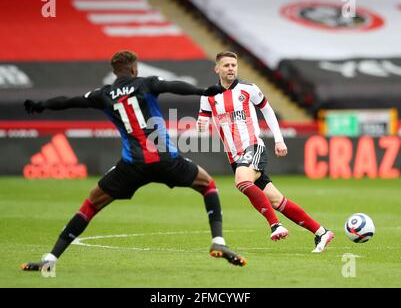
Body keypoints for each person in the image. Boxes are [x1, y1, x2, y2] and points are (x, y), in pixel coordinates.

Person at [21, 50, 247, 272]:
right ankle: (218, 241)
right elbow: (173, 86)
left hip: (132, 166)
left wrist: (41, 105)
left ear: (114, 71)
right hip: (165, 159)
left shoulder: (104, 94)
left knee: (90, 204)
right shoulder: (145, 84)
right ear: (133, 68)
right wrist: (204, 91)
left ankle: (50, 258)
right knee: (207, 185)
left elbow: (69, 102)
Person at [196, 51, 334, 252]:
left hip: (253, 146)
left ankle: (275, 225)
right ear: (217, 69)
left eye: (234, 65)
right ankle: (321, 232)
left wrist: (279, 140)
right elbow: (202, 122)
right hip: (235, 156)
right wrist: (200, 124)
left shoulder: (248, 89)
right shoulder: (208, 96)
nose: (231, 68)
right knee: (277, 200)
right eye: (226, 65)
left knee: (242, 181)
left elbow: (267, 110)